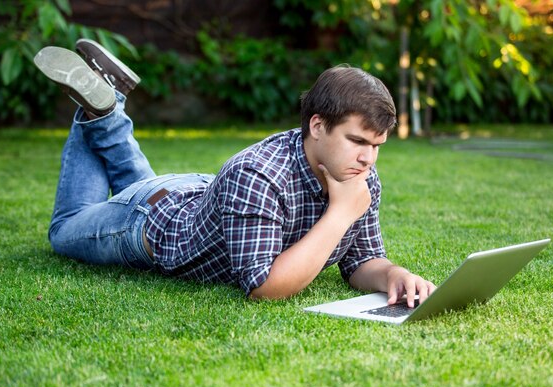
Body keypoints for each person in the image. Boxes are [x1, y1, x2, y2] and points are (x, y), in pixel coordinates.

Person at [33, 39, 436, 306]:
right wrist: (340, 214)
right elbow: (264, 287)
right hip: (148, 223)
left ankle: (106, 101)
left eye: (377, 146)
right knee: (64, 229)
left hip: (194, 194)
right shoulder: (257, 175)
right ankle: (100, 107)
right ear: (317, 126)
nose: (369, 159)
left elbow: (361, 260)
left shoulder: (356, 174)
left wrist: (393, 276)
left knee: (142, 184)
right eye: (358, 142)